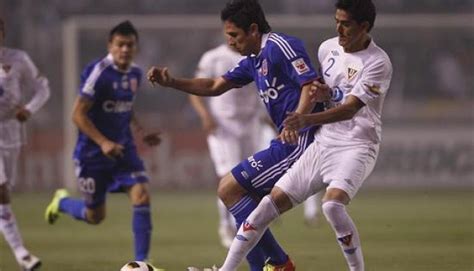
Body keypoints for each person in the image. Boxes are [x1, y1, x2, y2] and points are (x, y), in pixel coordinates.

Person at [211, 0, 393, 270]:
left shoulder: (378, 63)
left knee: (332, 207)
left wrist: (304, 119)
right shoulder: (327, 48)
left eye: (346, 24)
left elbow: (350, 109)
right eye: (336, 22)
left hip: (357, 145)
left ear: (364, 27)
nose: (339, 29)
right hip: (324, 140)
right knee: (263, 208)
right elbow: (330, 92)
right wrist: (324, 93)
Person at [148, 0, 324, 269]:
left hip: (303, 141)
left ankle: (276, 263)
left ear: (253, 29)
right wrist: (172, 82)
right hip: (288, 140)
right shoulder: (253, 60)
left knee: (230, 189)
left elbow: (310, 85)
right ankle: (275, 264)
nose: (230, 42)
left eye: (234, 35)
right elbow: (215, 85)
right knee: (236, 194)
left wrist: (295, 122)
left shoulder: (280, 46)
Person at [44, 21, 162, 267]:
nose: (125, 50)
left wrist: (141, 131)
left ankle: (142, 262)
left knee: (141, 195)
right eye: (120, 44)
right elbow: (77, 114)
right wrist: (103, 142)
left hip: (123, 149)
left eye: (130, 45)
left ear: (136, 47)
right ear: (110, 45)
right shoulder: (98, 72)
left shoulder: (136, 73)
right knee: (94, 216)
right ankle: (62, 202)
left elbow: (126, 107)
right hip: (92, 153)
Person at [189, 43, 267, 249]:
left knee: (249, 180)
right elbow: (196, 89)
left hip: (250, 125)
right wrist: (205, 115)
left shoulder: (257, 56)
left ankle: (245, 226)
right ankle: (226, 226)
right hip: (222, 126)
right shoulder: (212, 57)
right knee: (228, 177)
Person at [0, 17, 49, 271]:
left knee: (6, 191)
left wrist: (28, 110)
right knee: (1, 191)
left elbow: (43, 88)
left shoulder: (18, 59)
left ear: (3, 32)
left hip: (10, 133)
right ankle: (22, 253)